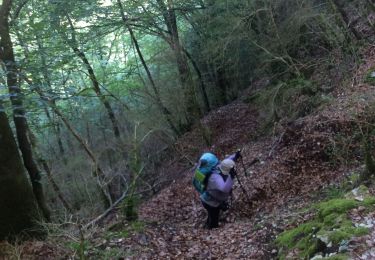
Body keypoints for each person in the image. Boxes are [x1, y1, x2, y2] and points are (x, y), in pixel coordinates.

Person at [199, 151, 240, 229]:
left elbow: (226, 162)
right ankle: (210, 232)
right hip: (210, 202)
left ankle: (206, 226)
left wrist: (235, 155)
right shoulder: (214, 177)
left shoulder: (216, 167)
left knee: (211, 215)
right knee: (214, 220)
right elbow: (224, 189)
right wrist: (231, 177)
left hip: (207, 199)